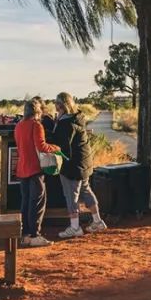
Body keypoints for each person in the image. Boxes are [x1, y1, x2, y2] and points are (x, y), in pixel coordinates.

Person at [49, 92, 107, 238]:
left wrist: (50, 134)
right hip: (85, 163)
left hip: (72, 166)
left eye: (56, 103)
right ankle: (98, 221)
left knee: (71, 196)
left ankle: (75, 227)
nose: (55, 105)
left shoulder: (65, 123)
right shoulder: (78, 118)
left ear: (60, 105)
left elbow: (63, 146)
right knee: (86, 191)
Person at [14, 97, 60, 247]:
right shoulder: (36, 125)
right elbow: (41, 147)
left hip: (22, 169)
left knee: (26, 202)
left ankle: (26, 234)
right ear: (37, 111)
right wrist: (56, 148)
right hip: (35, 169)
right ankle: (35, 234)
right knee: (38, 202)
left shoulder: (19, 126)